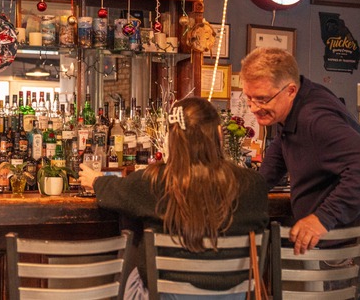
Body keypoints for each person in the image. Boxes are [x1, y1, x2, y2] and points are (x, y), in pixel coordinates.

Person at [239, 47, 360, 299]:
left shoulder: (314, 118)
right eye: (249, 98)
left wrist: (321, 218)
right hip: (349, 252)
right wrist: (244, 191)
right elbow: (280, 150)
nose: (253, 108)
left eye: (262, 99)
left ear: (290, 90)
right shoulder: (296, 108)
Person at [79, 97, 269, 299]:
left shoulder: (153, 181)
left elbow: (114, 190)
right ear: (220, 134)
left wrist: (95, 180)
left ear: (171, 139)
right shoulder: (254, 184)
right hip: (235, 296)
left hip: (167, 296)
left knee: (132, 244)